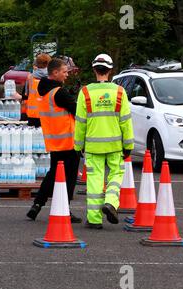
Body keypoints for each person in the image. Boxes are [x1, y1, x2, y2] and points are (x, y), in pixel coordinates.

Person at [74, 54, 134, 229]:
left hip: (93, 145)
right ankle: (110, 202)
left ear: (94, 69)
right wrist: (128, 145)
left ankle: (94, 220)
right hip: (115, 145)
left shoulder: (85, 92)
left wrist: (78, 145)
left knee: (94, 180)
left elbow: (80, 122)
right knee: (116, 175)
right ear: (110, 70)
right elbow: (126, 121)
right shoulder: (119, 92)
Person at [26, 58, 82, 223]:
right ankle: (65, 210)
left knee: (52, 175)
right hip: (68, 141)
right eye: (64, 72)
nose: (66, 75)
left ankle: (37, 204)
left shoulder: (44, 91)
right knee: (69, 178)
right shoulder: (59, 93)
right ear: (55, 72)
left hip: (54, 141)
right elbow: (77, 111)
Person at [12, 54, 51, 128]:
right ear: (48, 64)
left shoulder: (30, 77)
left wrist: (20, 97)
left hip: (33, 115)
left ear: (36, 64)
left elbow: (27, 95)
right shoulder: (51, 77)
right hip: (47, 114)